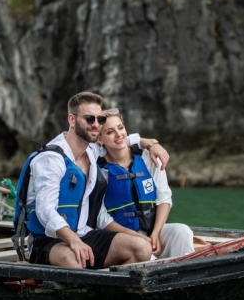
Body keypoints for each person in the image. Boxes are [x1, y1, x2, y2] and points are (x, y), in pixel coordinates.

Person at [24, 91, 170, 269]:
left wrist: (151, 144)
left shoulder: (92, 150)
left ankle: (109, 291)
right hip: (48, 240)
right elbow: (45, 211)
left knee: (142, 248)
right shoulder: (51, 159)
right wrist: (74, 240)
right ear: (72, 120)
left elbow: (121, 139)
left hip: (85, 234)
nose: (96, 125)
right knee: (75, 261)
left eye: (99, 120)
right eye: (89, 119)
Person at [97, 108, 194, 259]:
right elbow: (101, 218)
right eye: (110, 132)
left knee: (182, 232)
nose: (118, 134)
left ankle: (188, 277)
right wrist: (141, 239)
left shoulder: (149, 157)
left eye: (121, 128)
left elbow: (164, 198)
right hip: (122, 238)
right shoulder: (99, 171)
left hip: (152, 231)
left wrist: (155, 234)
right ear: (100, 139)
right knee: (145, 253)